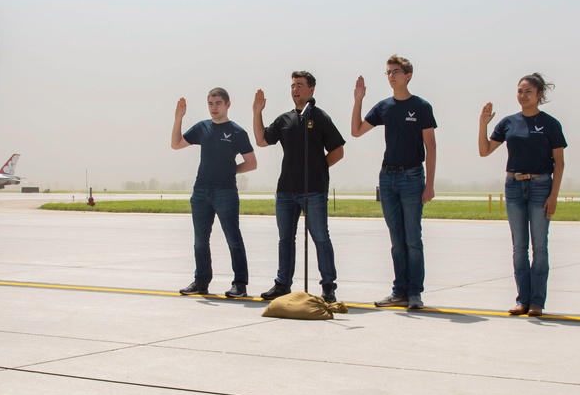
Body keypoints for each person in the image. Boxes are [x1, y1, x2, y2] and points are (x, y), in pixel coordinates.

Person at [351, 54, 437, 310]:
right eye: (388, 72)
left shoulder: (421, 107)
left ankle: (414, 293)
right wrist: (358, 100)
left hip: (412, 176)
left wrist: (429, 184)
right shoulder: (384, 107)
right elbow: (356, 131)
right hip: (387, 177)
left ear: (408, 75)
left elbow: (430, 146)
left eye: (396, 72)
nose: (391, 76)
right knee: (396, 239)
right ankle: (398, 290)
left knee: (412, 238)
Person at [478, 73, 566, 317]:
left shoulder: (550, 124)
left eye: (528, 91)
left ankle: (537, 301)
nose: (523, 95)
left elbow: (559, 163)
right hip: (514, 186)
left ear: (539, 95)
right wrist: (483, 123)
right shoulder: (508, 123)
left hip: (540, 187)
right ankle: (522, 300)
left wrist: (554, 195)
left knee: (540, 246)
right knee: (519, 247)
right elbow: (484, 151)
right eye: (519, 91)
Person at [252, 71, 345, 302]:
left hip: (313, 190)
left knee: (320, 236)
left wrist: (319, 168)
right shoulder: (284, 119)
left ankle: (328, 286)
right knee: (285, 239)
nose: (295, 89)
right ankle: (282, 283)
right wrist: (257, 113)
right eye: (293, 85)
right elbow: (262, 140)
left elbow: (338, 151)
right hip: (285, 191)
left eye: (300, 85)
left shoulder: (320, 117)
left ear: (311, 90)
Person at [172, 88, 257, 298]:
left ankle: (240, 284)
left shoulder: (237, 132)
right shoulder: (202, 127)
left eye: (218, 103)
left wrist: (230, 171)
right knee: (200, 241)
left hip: (225, 191)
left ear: (228, 105)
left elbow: (251, 163)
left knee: (233, 238)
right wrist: (178, 118)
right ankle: (201, 281)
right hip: (200, 191)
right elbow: (176, 144)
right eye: (210, 103)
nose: (214, 107)